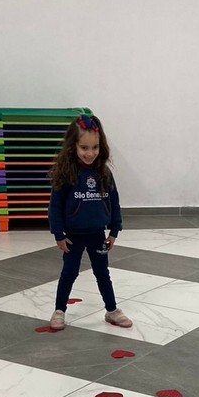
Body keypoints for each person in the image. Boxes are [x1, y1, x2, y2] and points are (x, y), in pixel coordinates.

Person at [47, 113, 132, 331]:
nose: (90, 153)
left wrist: (115, 230)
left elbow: (114, 201)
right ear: (73, 146)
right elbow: (55, 206)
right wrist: (58, 233)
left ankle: (112, 310)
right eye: (84, 147)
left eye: (95, 147)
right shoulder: (66, 173)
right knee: (69, 273)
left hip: (97, 235)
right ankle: (59, 310)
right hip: (72, 237)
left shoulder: (104, 172)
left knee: (103, 273)